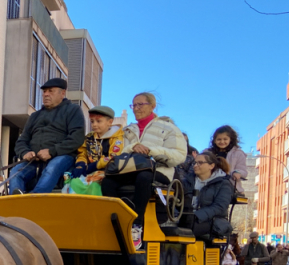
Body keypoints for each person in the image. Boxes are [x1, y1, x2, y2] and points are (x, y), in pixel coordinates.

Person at [101, 92, 187, 249]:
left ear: (152, 106)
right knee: (108, 181)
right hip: (128, 170)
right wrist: (132, 147)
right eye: (133, 105)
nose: (136, 108)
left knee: (144, 177)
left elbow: (179, 155)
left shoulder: (169, 128)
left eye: (140, 104)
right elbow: (117, 153)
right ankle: (115, 223)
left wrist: (150, 150)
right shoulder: (127, 130)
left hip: (158, 171)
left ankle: (136, 225)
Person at [9, 77, 85, 194]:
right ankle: (15, 202)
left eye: (51, 91)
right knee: (15, 172)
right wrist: (25, 152)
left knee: (52, 168)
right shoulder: (34, 116)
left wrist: (51, 151)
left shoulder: (73, 110)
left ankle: (34, 198)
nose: (46, 94)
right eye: (44, 91)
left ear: (62, 93)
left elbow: (77, 138)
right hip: (34, 160)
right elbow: (22, 141)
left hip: (62, 156)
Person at [71, 105, 124, 186]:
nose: (94, 125)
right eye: (92, 121)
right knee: (73, 182)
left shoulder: (116, 138)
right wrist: (81, 164)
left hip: (108, 172)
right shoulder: (89, 137)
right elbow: (82, 153)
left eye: (98, 121)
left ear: (110, 122)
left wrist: (96, 165)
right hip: (90, 170)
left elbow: (114, 157)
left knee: (94, 184)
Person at [190, 151, 234, 237]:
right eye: (194, 163)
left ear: (211, 166)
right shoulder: (187, 181)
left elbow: (220, 207)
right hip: (188, 218)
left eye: (200, 163)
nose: (195, 166)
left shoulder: (223, 183)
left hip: (212, 221)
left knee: (187, 227)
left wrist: (197, 215)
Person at [209, 125, 247, 195]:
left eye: (225, 139)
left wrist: (237, 173)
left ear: (231, 139)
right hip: (210, 185)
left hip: (229, 186)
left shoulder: (238, 153)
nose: (222, 141)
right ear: (214, 140)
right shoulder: (208, 153)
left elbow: (243, 171)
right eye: (219, 139)